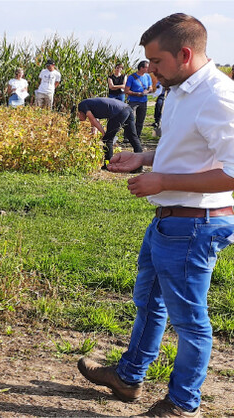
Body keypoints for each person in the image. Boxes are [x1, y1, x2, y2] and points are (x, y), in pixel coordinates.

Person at [77, 13, 234, 417]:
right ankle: (128, 378)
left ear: (184, 54)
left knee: (189, 320)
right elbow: (193, 150)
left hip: (195, 223)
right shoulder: (183, 89)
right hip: (170, 219)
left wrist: (161, 177)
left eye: (158, 63)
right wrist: (145, 158)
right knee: (149, 301)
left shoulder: (217, 95)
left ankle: (182, 404)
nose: (151, 72)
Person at [76, 97, 142, 169]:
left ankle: (108, 165)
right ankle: (139, 166)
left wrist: (104, 134)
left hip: (118, 112)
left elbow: (93, 120)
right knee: (133, 137)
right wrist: (94, 132)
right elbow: (93, 120)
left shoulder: (82, 106)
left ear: (78, 112)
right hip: (127, 108)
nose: (79, 120)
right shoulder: (87, 104)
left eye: (77, 117)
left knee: (107, 140)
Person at [126, 60, 154, 138]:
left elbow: (151, 87)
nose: (148, 69)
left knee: (140, 120)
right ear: (141, 68)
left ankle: (137, 136)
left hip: (143, 101)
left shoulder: (148, 76)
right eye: (147, 67)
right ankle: (127, 136)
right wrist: (137, 94)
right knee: (130, 120)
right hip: (133, 101)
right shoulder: (131, 77)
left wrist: (147, 91)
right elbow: (126, 90)